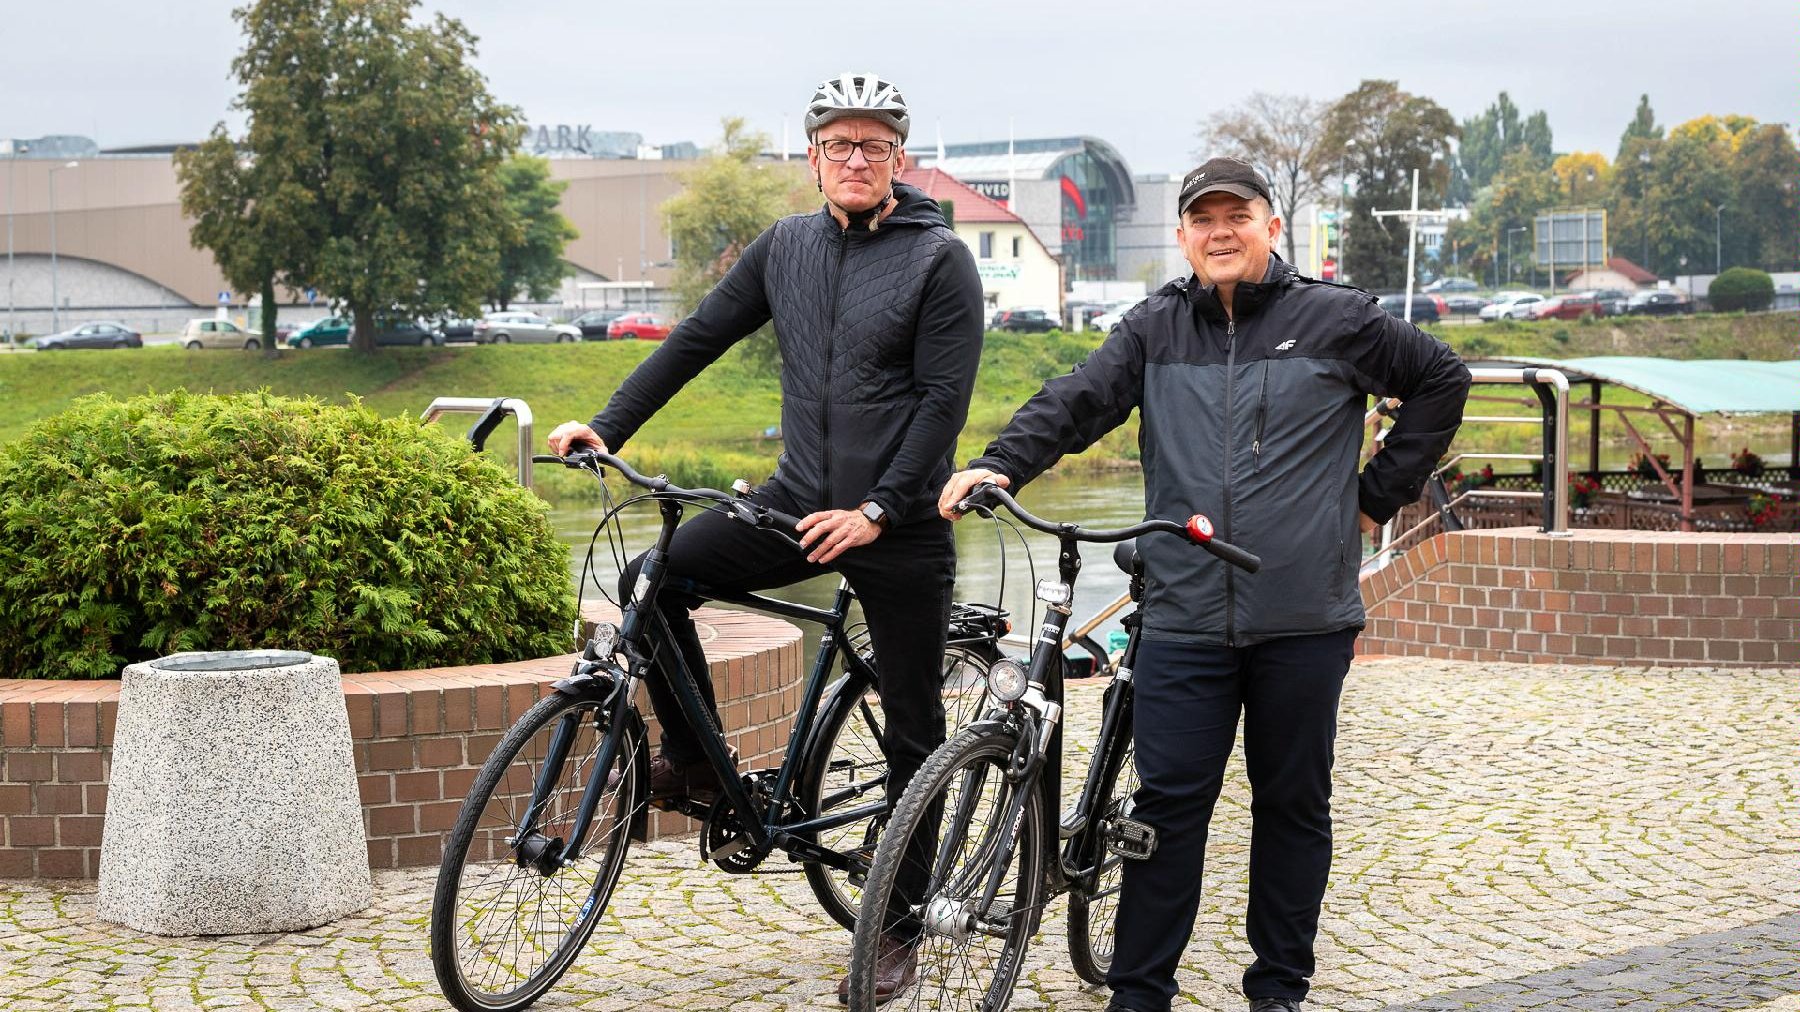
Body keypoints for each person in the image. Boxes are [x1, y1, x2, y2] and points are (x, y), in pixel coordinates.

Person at [939, 156, 1469, 1012]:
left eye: (1239, 216)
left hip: (1303, 616)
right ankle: (1140, 993)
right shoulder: (1154, 328)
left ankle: (1277, 990)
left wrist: (1372, 500)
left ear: (1272, 226)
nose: (1221, 232)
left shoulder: (1337, 319)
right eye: (1203, 219)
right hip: (1182, 614)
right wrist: (999, 464)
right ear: (1182, 235)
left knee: (1292, 805)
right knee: (1166, 807)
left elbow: (1443, 380)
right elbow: (1077, 402)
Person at [546, 72, 983, 1004]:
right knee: (653, 577)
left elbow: (944, 403)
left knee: (914, 729)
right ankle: (699, 758)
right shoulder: (785, 247)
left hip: (896, 527)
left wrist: (876, 509)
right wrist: (608, 425)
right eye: (838, 145)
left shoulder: (940, 261)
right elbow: (698, 337)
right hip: (794, 503)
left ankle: (900, 923)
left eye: (873, 145)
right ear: (813, 157)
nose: (855, 159)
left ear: (899, 159)